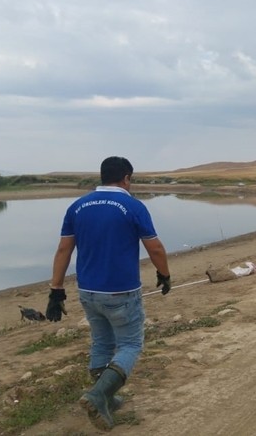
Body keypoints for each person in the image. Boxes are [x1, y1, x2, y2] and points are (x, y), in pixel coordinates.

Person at [46, 156, 172, 431]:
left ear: (102, 177)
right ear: (126, 178)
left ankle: (107, 397)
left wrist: (56, 290)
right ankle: (98, 394)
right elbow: (156, 248)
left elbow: (63, 250)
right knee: (130, 345)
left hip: (88, 291)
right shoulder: (132, 205)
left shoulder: (77, 206)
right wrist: (164, 274)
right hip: (122, 292)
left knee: (102, 344)